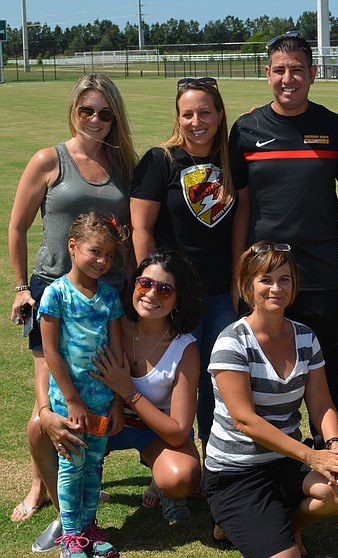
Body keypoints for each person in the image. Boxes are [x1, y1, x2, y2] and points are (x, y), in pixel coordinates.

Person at [7, 72, 136, 551]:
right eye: (87, 110)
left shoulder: (123, 165)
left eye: (105, 112)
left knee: (94, 396)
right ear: (73, 111)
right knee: (48, 409)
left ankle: (80, 496)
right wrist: (22, 288)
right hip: (53, 294)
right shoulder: (50, 160)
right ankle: (48, 493)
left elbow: (133, 230)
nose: (95, 120)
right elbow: (17, 226)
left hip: (106, 299)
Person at [205, 241, 338, 558]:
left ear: (294, 284)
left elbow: (322, 404)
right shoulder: (231, 342)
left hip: (285, 461)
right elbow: (245, 421)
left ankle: (292, 526)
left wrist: (335, 447)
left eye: (284, 279)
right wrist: (312, 457)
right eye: (266, 280)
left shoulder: (305, 336)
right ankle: (228, 519)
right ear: (248, 286)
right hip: (236, 473)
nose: (276, 288)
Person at [229, 32, 338, 436]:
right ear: (267, 74)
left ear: (312, 73)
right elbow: (241, 208)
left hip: (321, 273)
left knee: (325, 367)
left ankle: (329, 449)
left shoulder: (334, 127)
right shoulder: (246, 129)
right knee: (261, 368)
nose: (287, 78)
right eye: (279, 70)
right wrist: (238, 273)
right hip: (265, 276)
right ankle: (268, 454)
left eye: (297, 70)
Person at [130, 76, 236, 482]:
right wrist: (151, 289)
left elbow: (241, 218)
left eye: (205, 112)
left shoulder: (232, 159)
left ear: (220, 114)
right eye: (187, 114)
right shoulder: (159, 161)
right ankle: (168, 465)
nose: (196, 121)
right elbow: (141, 228)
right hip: (174, 295)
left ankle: (215, 464)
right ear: (177, 117)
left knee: (219, 378)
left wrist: (236, 280)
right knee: (176, 384)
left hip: (222, 294)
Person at [91, 249, 204, 523]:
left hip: (155, 433)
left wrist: (128, 391)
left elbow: (178, 432)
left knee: (181, 478)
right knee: (46, 429)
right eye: (145, 283)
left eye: (165, 290)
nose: (152, 294)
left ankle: (160, 482)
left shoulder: (185, 348)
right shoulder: (111, 324)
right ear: (135, 284)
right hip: (106, 423)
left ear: (178, 300)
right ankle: (85, 480)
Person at [37, 211, 127, 558]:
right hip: (68, 404)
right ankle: (71, 536)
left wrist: (117, 401)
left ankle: (89, 528)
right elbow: (50, 352)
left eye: (109, 255)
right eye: (95, 251)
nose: (102, 261)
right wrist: (72, 399)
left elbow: (117, 352)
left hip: (102, 401)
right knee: (71, 465)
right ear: (72, 246)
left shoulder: (110, 297)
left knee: (93, 465)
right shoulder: (55, 295)